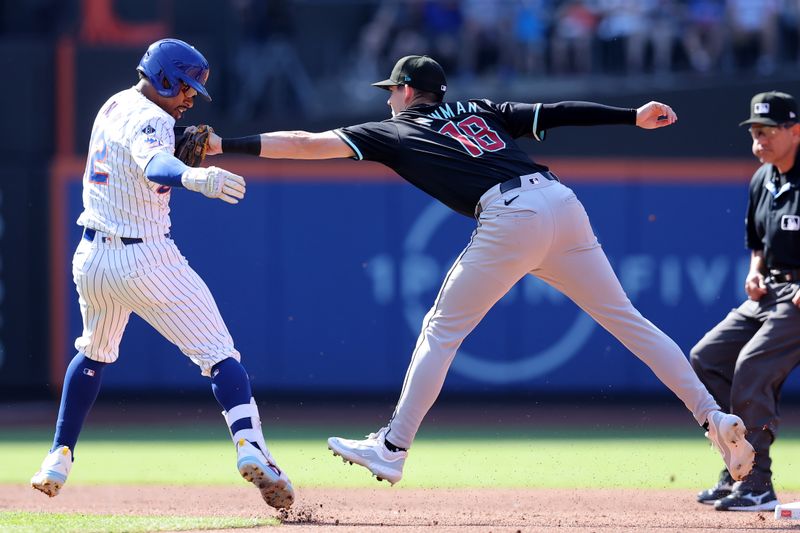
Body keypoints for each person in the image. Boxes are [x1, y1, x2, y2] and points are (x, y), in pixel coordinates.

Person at [207, 54, 755, 486]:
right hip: (561, 202)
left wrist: (224, 145)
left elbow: (306, 144)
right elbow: (556, 113)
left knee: (440, 333)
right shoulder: (478, 108)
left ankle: (392, 449)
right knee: (627, 320)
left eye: (391, 90)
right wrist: (631, 116)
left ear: (405, 91)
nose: (390, 99)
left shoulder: (393, 131)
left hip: (510, 214)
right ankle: (712, 419)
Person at [30, 38, 294, 510]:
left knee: (93, 353)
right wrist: (194, 177)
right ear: (166, 78)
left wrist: (175, 154)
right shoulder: (153, 118)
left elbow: (147, 154)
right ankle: (251, 446)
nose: (191, 98)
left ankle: (58, 455)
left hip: (91, 258)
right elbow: (156, 161)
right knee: (219, 354)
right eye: (186, 88)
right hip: (145, 256)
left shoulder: (114, 103)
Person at [690, 91, 800, 512]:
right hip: (769, 290)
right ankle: (737, 467)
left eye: (769, 131)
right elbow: (757, 242)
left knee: (752, 366)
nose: (760, 140)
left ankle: (758, 483)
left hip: (797, 297)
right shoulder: (763, 178)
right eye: (755, 132)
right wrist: (754, 270)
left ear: (795, 131)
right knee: (706, 359)